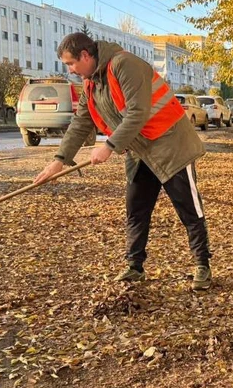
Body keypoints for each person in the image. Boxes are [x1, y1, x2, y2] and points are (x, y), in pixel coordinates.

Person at [34, 33, 212, 290]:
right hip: (139, 151)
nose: (71, 71)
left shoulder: (124, 64)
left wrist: (109, 146)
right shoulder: (91, 83)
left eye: (71, 64)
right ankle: (134, 267)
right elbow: (81, 122)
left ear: (85, 55)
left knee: (189, 209)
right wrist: (59, 160)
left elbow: (138, 112)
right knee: (136, 210)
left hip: (171, 146)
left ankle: (202, 265)